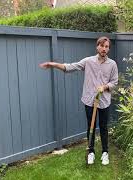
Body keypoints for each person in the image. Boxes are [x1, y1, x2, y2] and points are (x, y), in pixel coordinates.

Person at [39, 36, 118, 165]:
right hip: (89, 100)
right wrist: (53, 64)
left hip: (104, 101)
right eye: (102, 46)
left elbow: (114, 82)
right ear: (97, 46)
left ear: (108, 49)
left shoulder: (112, 64)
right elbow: (70, 67)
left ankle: (105, 153)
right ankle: (91, 151)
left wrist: (104, 87)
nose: (104, 49)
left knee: (103, 127)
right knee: (90, 126)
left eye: (107, 47)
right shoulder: (88, 61)